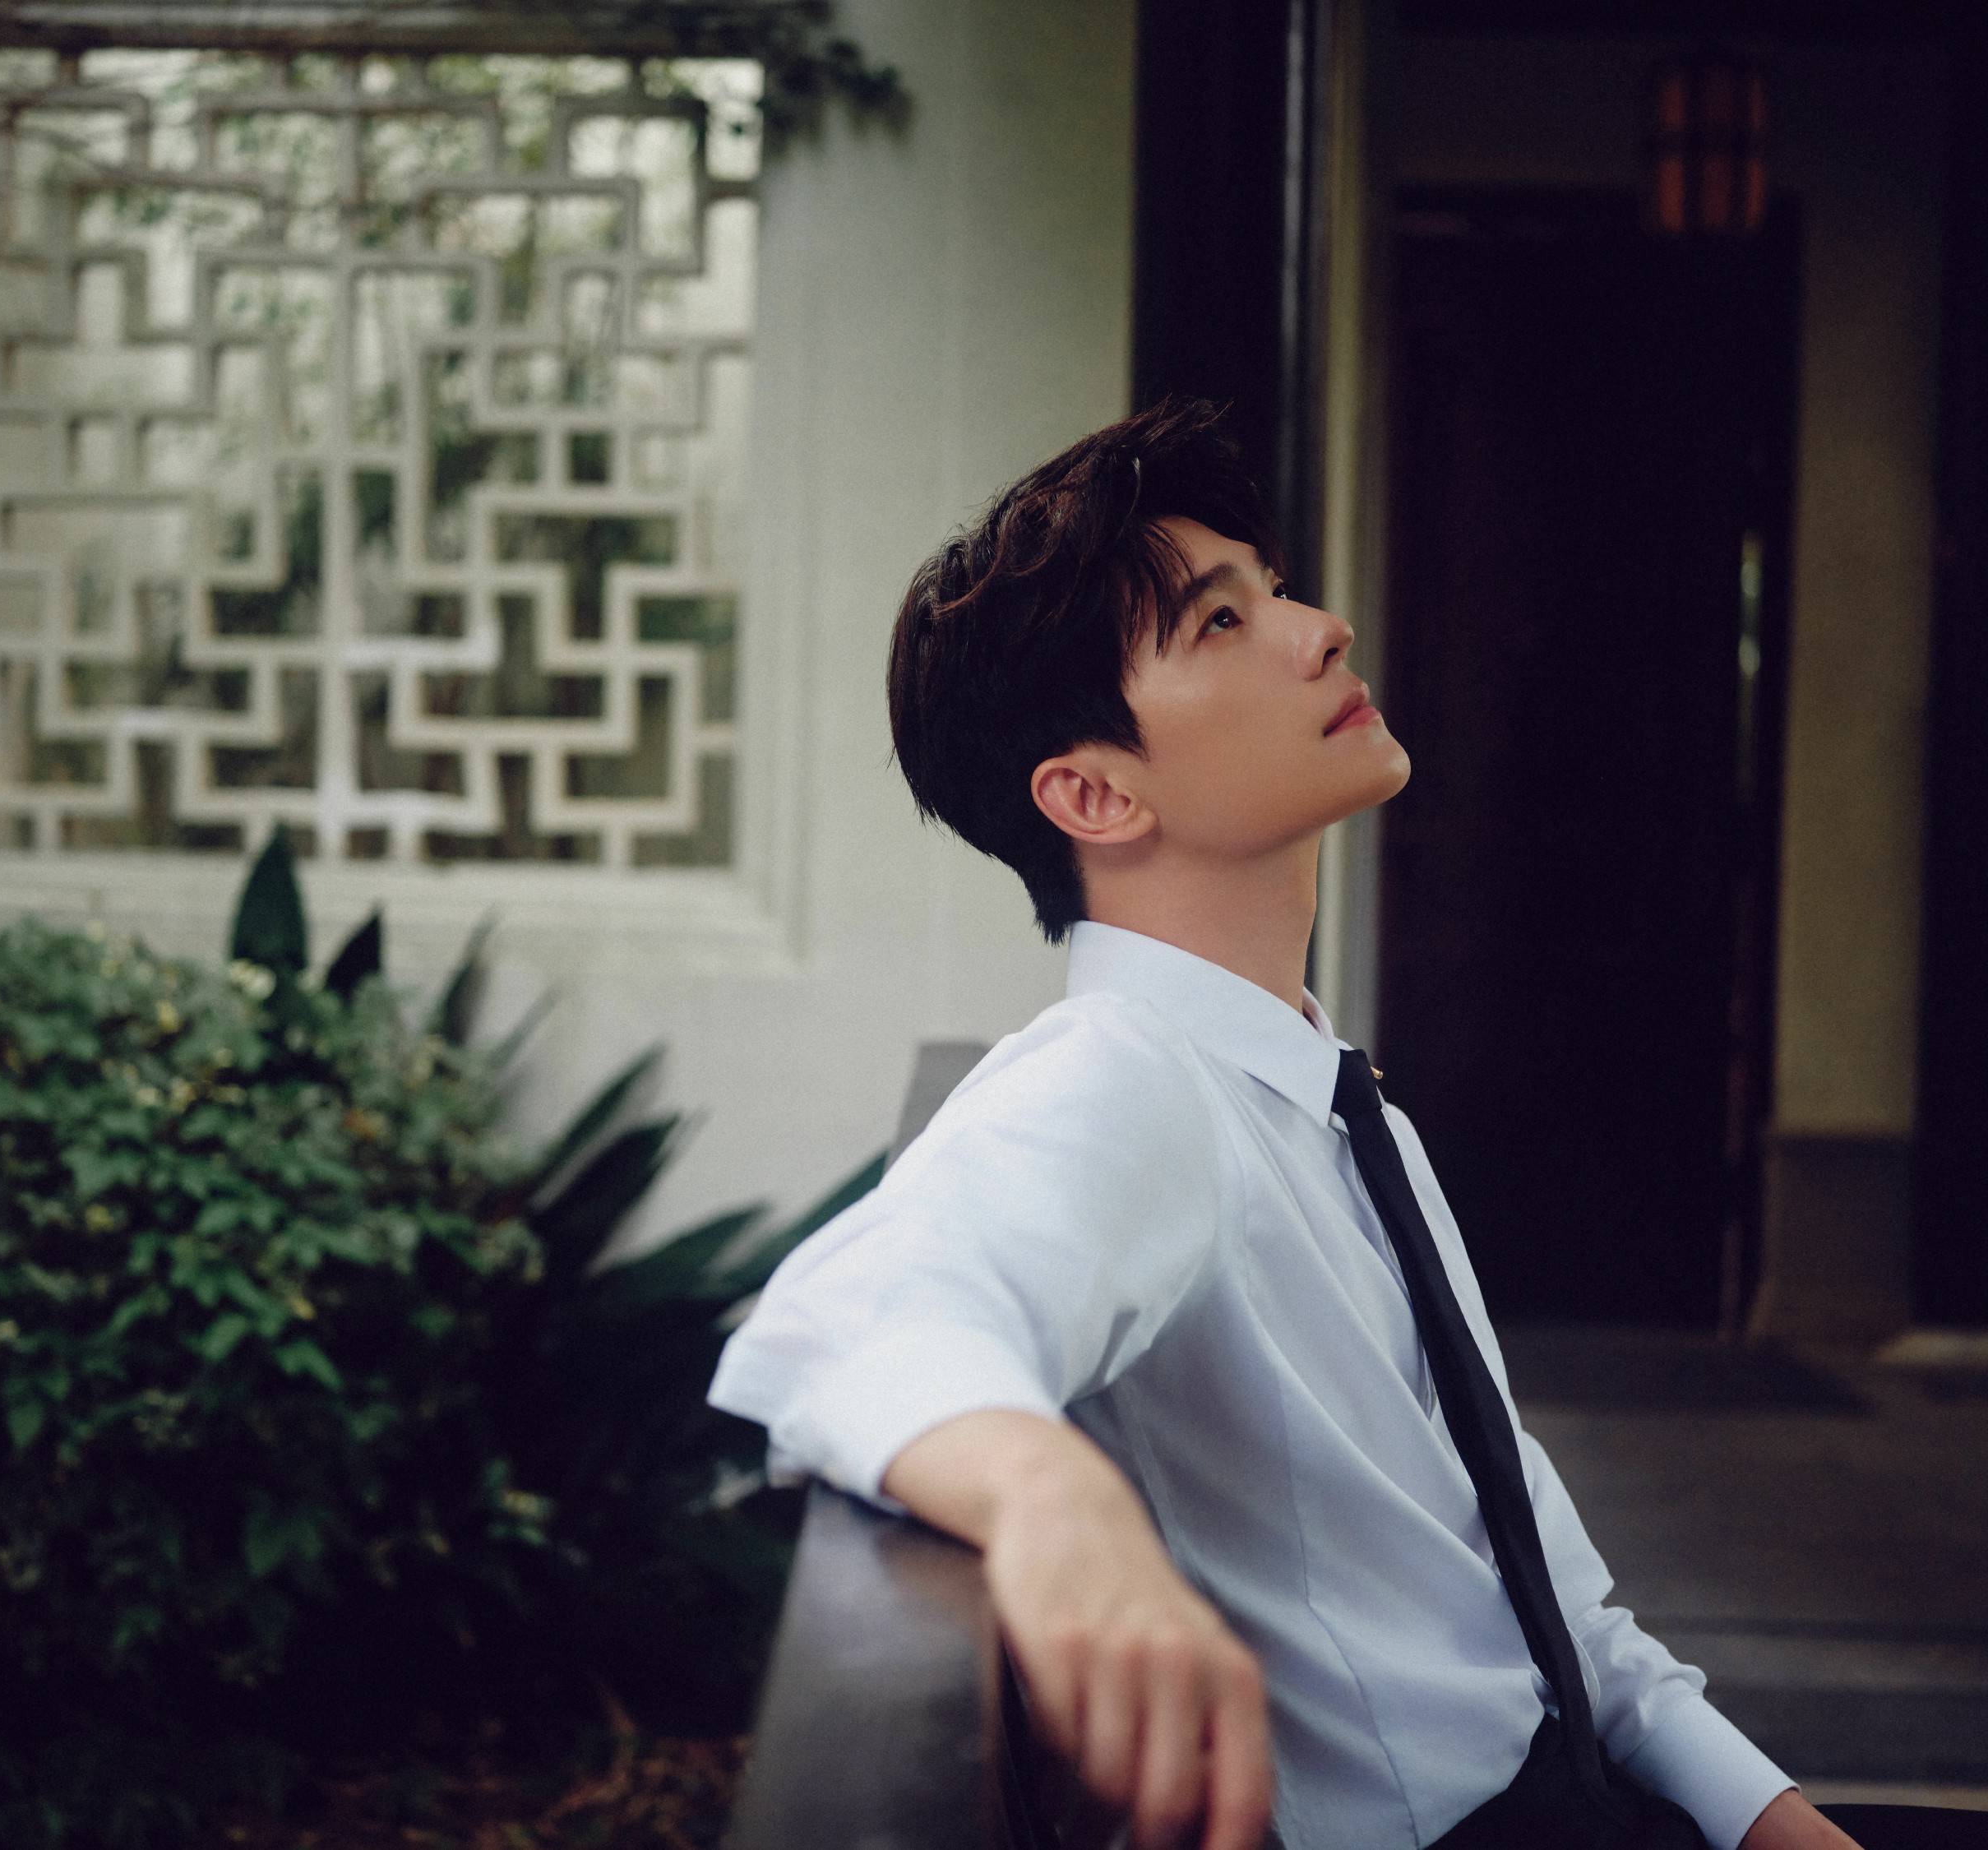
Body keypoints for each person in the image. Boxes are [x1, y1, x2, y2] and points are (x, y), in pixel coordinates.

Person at [706, 397, 1861, 1850]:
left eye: (1276, 589)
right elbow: (853, 1312)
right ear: (1093, 792)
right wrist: (1051, 1497)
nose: (1322, 630)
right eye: (1221, 620)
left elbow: (1568, 1624)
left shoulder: (1337, 1105)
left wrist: (1775, 1821)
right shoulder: (1126, 1078)